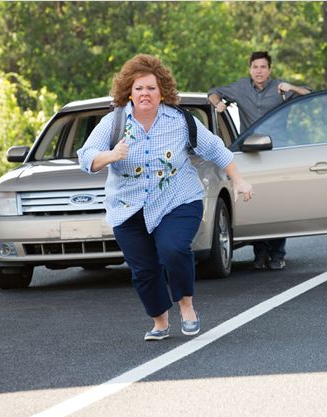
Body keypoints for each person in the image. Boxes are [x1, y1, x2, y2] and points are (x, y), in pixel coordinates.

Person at [78, 54, 253, 341]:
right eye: (138, 89)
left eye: (151, 88)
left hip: (178, 199)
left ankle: (186, 307)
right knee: (143, 270)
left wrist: (240, 179)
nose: (145, 94)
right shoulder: (113, 122)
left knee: (173, 249)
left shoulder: (181, 121)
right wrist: (111, 155)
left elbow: (215, 149)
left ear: (162, 93)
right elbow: (86, 157)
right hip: (128, 206)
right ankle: (160, 321)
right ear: (129, 93)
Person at [208, 51, 310, 271]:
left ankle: (277, 254)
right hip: (251, 153)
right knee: (255, 202)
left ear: (269, 70)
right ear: (250, 69)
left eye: (263, 67)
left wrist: (290, 87)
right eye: (255, 67)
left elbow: (308, 94)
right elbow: (213, 93)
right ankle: (260, 252)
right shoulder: (241, 87)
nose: (259, 71)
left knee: (278, 203)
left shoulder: (279, 88)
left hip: (277, 152)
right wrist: (218, 104)